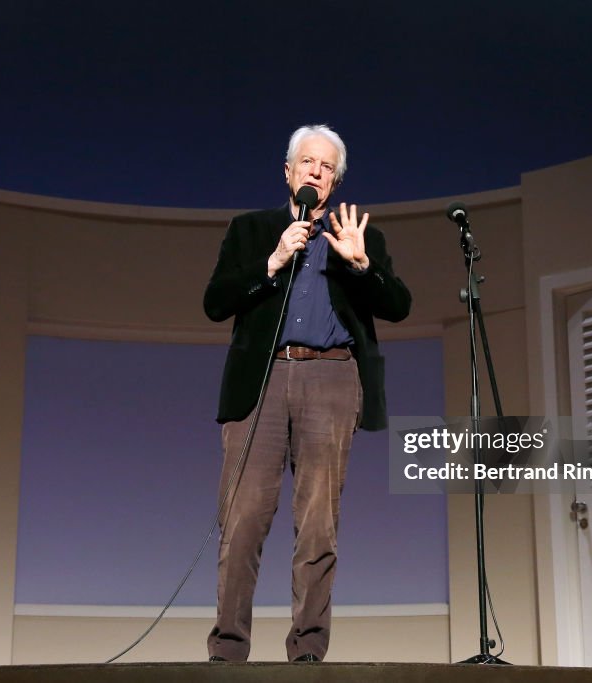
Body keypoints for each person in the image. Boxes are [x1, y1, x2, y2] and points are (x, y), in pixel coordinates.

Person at [203, 124, 411, 662]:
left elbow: (398, 305)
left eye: (326, 167)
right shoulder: (251, 230)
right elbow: (216, 300)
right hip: (263, 381)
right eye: (307, 163)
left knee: (318, 523)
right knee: (243, 518)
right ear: (289, 172)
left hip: (332, 378)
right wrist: (272, 260)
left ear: (335, 181)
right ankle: (227, 652)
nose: (315, 172)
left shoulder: (356, 235)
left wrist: (362, 265)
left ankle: (308, 653)